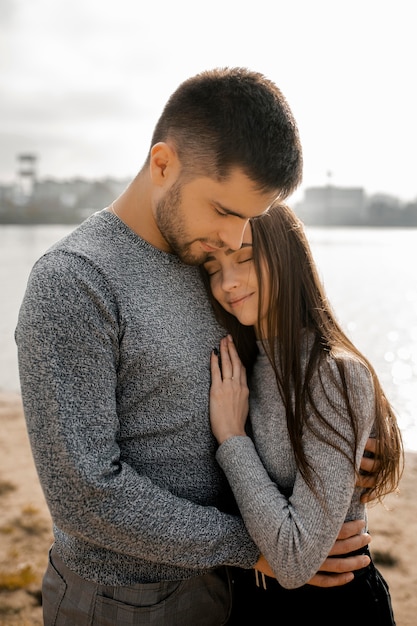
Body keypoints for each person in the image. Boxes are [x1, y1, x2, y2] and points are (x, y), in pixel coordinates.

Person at [16, 67, 377, 626]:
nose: (234, 241)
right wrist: (258, 546)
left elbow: (289, 368)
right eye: (228, 212)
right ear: (163, 165)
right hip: (126, 602)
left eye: (250, 222)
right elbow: (85, 494)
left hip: (232, 591)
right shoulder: (74, 282)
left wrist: (350, 445)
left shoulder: (206, 256)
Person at [203, 201, 404, 625]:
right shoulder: (239, 364)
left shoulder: (334, 373)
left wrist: (231, 438)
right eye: (213, 268)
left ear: (286, 254)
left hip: (329, 609)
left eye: (244, 257)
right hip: (247, 602)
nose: (228, 282)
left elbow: (294, 560)